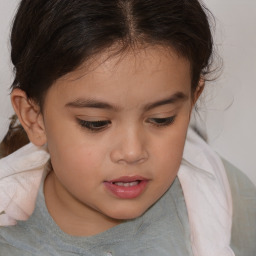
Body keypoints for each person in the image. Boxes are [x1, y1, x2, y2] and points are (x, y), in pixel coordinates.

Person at [0, 0, 255, 255]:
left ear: (192, 100)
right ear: (34, 117)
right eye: (96, 123)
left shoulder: (228, 197)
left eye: (161, 118)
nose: (132, 152)